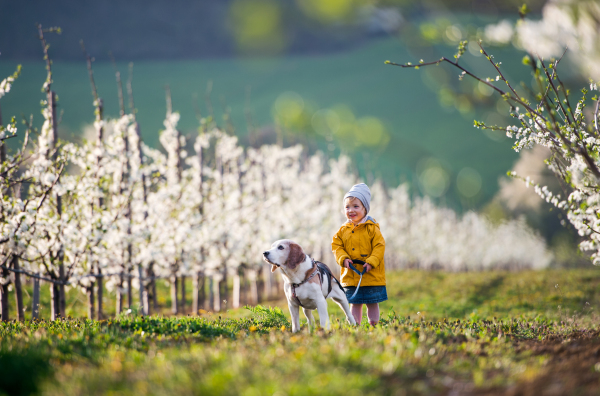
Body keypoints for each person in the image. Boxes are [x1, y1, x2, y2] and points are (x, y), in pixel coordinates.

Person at [332, 183, 387, 326]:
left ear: (365, 209)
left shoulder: (372, 228)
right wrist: (343, 259)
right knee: (355, 303)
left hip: (370, 274)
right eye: (347, 207)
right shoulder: (342, 230)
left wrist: (372, 261)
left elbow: (379, 246)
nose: (351, 210)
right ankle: (355, 326)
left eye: (356, 206)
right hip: (351, 275)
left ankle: (374, 325)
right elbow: (337, 246)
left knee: (372, 302)